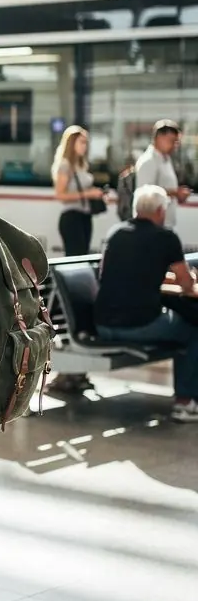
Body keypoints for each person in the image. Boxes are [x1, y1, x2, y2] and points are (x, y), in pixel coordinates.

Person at [95, 184, 198, 423]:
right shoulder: (166, 237)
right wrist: (189, 276)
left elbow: (107, 274)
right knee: (192, 330)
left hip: (101, 322)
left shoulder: (116, 233)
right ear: (161, 211)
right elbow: (185, 285)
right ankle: (185, 402)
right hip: (138, 325)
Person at [52, 125, 107, 257]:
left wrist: (96, 194)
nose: (85, 146)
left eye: (86, 143)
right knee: (75, 258)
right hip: (72, 218)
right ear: (72, 143)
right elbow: (60, 195)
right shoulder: (65, 165)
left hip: (85, 217)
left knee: (82, 257)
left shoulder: (81, 165)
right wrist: (88, 194)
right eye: (81, 142)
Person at [135, 120, 192, 230]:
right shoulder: (148, 161)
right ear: (159, 138)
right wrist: (175, 193)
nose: (174, 146)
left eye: (176, 142)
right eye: (171, 141)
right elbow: (145, 195)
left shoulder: (166, 159)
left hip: (165, 223)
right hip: (151, 225)